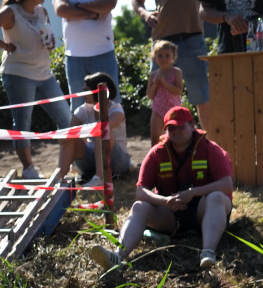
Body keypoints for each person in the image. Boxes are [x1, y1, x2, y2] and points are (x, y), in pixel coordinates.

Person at [88, 106, 233, 273]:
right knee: (139, 207)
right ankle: (117, 257)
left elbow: (226, 185)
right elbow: (141, 191)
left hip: (203, 211)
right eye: (171, 128)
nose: (176, 132)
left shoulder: (210, 149)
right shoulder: (157, 153)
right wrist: (165, 201)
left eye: (181, 127)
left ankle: (208, 252)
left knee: (217, 197)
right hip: (171, 215)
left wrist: (192, 193)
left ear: (192, 126)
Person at [0, 0, 69, 179]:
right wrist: (4, 45)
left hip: (44, 73)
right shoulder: (11, 12)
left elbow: (46, 37)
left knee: (66, 117)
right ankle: (28, 169)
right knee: (23, 122)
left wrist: (51, 43)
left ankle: (69, 163)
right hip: (18, 73)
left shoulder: (42, 11)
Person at [55, 0, 120, 95]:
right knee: (79, 105)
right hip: (74, 57)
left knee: (111, 102)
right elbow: (61, 9)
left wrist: (76, 7)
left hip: (104, 54)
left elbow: (109, 4)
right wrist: (93, 13)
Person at [62, 72, 131, 187]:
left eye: (86, 90)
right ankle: (60, 179)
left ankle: (99, 177)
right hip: (91, 161)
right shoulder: (83, 109)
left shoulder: (116, 109)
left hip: (117, 162)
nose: (83, 92)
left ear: (97, 91)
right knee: (69, 137)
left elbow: (105, 126)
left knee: (101, 129)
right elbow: (69, 132)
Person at [146, 41, 187, 142]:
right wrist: (155, 84)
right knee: (155, 137)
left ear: (173, 57)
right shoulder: (153, 75)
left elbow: (178, 91)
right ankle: (156, 152)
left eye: (167, 55)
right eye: (160, 56)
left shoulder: (176, 72)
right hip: (158, 109)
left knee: (174, 137)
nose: (164, 58)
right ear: (155, 58)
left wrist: (164, 82)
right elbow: (149, 95)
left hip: (173, 109)